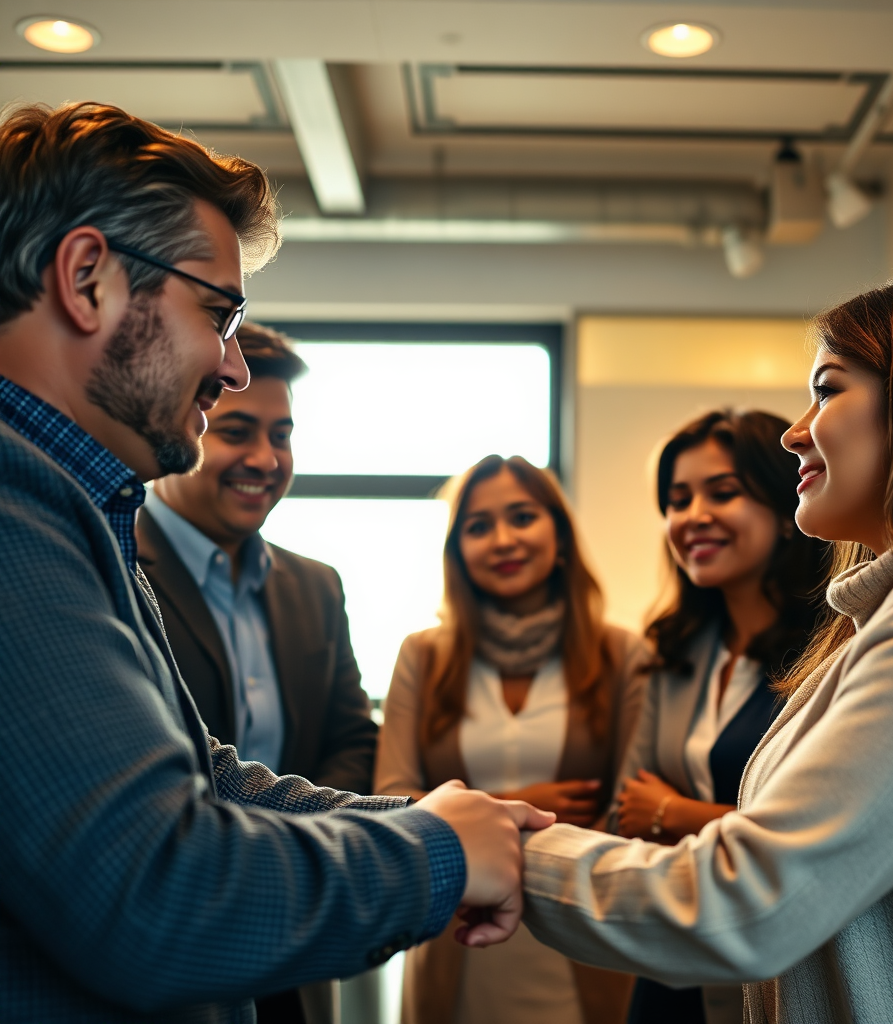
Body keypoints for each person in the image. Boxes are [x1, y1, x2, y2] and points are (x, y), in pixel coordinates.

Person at [0, 101, 551, 1024]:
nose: (230, 368)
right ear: (87, 277)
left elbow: (205, 778)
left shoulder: (81, 509)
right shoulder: (18, 512)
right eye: (216, 313)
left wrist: (421, 820)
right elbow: (159, 898)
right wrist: (436, 855)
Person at [517, 270, 893, 1024]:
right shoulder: (871, 618)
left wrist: (484, 854)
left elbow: (751, 901)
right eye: (677, 500)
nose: (793, 431)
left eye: (827, 389)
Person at [137, 320, 378, 1024]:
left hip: (304, 924)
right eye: (237, 431)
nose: (266, 458)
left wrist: (306, 853)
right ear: (187, 422)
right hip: (185, 933)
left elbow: (353, 738)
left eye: (283, 434)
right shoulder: (117, 565)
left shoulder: (316, 585)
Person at [375, 455, 650, 1024]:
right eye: (477, 526)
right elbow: (396, 802)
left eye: (522, 517)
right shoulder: (423, 656)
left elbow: (630, 813)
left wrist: (473, 821)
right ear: (458, 552)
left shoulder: (624, 655)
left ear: (561, 535)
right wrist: (517, 805)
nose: (502, 540)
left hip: (580, 928)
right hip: (458, 931)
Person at [612, 410, 830, 1024]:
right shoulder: (674, 652)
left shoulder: (834, 650)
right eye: (677, 500)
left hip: (781, 962)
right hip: (674, 953)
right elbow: (627, 812)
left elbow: (817, 839)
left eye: (723, 492)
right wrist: (719, 823)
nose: (693, 516)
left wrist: (675, 813)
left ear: (785, 508)